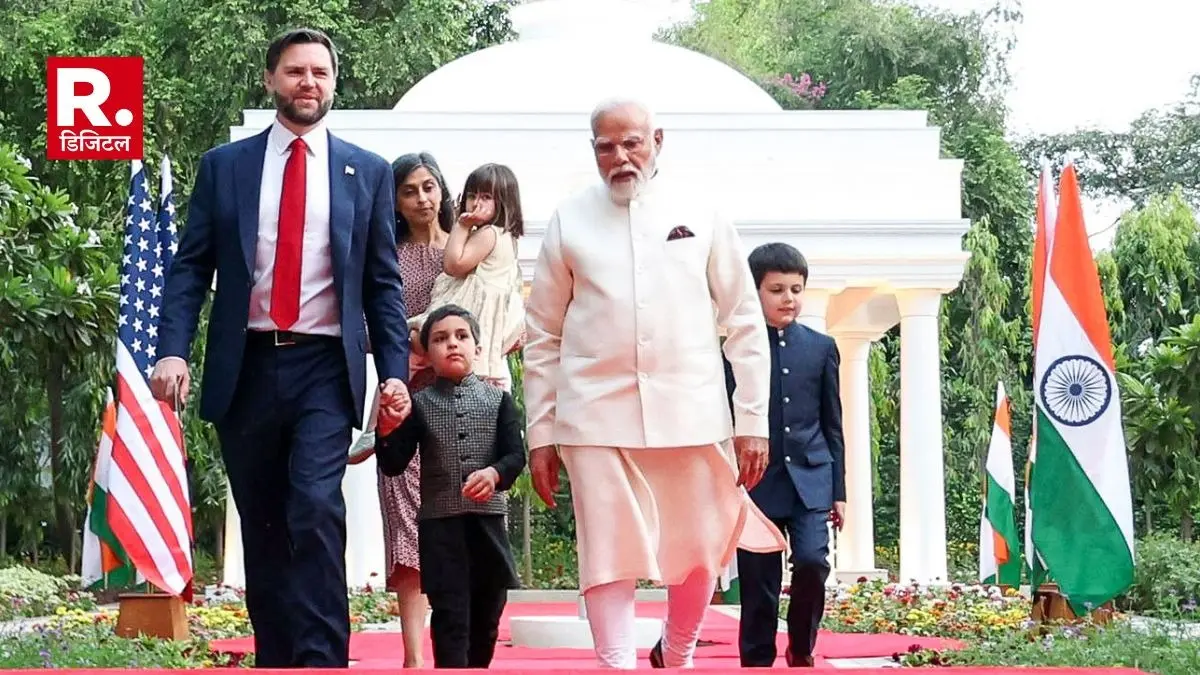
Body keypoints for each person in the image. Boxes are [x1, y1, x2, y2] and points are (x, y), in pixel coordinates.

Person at [151, 27, 411, 669]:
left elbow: (381, 283)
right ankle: (277, 656)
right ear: (271, 80)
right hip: (247, 368)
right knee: (263, 520)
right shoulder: (225, 167)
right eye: (295, 72)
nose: (308, 83)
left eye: (320, 73)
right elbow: (190, 268)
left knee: (315, 505)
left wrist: (396, 372)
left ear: (333, 83)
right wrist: (174, 349)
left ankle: (323, 658)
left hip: (325, 367)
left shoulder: (367, 172)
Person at [523, 98, 787, 670]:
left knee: (697, 549)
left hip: (691, 410)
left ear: (658, 140)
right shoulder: (570, 218)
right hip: (594, 414)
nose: (620, 157)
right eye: (605, 147)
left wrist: (752, 422)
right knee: (607, 549)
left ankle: (679, 650)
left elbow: (743, 319)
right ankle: (616, 664)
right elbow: (542, 333)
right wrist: (540, 435)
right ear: (592, 149)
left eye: (631, 143)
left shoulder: (703, 210)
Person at [376, 303, 525, 669]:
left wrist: (493, 474)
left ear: (477, 348)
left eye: (461, 336)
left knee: (488, 613)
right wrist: (385, 431)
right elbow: (394, 463)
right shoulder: (419, 404)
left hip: (487, 525)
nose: (452, 345)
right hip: (440, 529)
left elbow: (515, 455)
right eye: (440, 339)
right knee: (449, 615)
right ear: (427, 353)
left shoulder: (499, 400)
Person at [727, 243, 846, 668]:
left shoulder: (821, 347)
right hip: (756, 482)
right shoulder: (733, 351)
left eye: (796, 289)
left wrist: (839, 492)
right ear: (755, 291)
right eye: (777, 289)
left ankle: (802, 646)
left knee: (814, 563)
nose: (789, 298)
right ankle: (757, 659)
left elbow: (833, 425)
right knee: (759, 580)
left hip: (812, 479)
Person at [372, 152, 457, 668]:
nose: (423, 198)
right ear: (396, 202)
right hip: (402, 403)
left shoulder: (468, 253)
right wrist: (411, 340)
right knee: (406, 522)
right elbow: (365, 329)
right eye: (410, 190)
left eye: (430, 187)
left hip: (463, 406)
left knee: (456, 522)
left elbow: (503, 320)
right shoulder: (387, 258)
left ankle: (458, 648)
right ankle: (413, 656)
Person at [407, 163, 525, 391]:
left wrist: (461, 224)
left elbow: (453, 264)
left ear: (504, 202)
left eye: (486, 197)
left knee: (420, 339)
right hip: (482, 317)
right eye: (472, 195)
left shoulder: (490, 234)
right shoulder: (505, 236)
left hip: (472, 307)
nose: (476, 203)